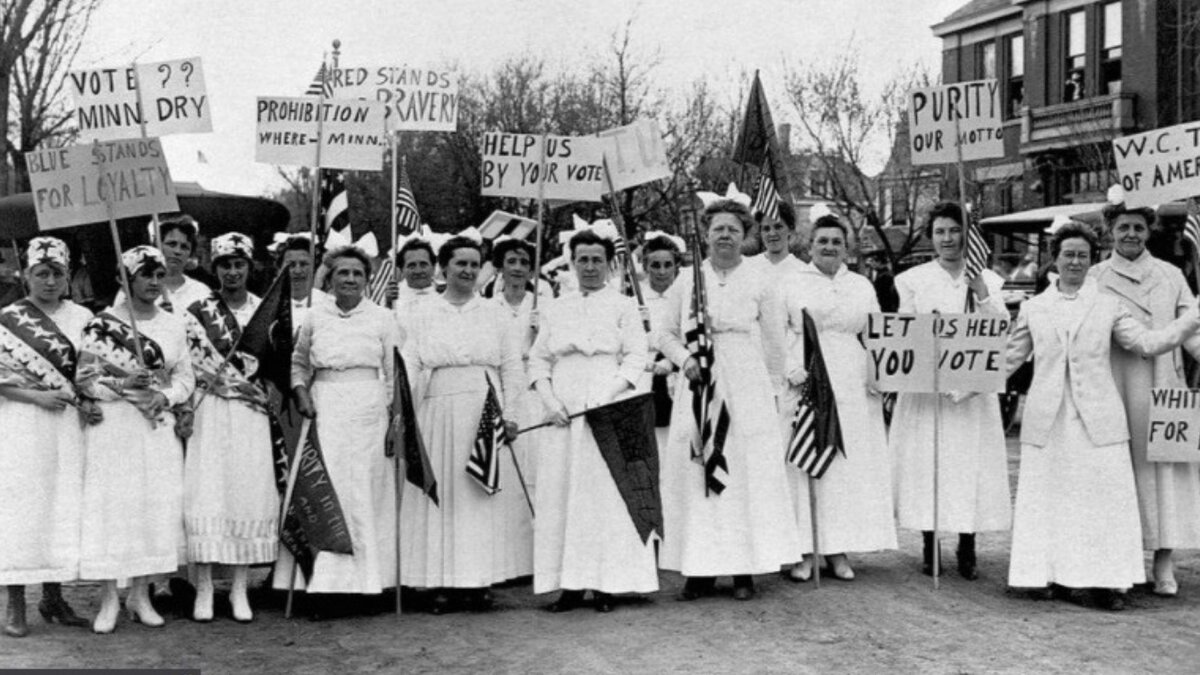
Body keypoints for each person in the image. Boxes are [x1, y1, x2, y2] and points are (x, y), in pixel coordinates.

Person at [1004, 222, 1200, 610]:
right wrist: (958, 382)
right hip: (1049, 420)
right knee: (1053, 498)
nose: (1075, 261)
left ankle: (1106, 582)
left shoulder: (1109, 305)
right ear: (1054, 259)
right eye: (1067, 254)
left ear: (1090, 259)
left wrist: (1192, 318)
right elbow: (1008, 358)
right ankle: (1049, 575)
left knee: (1100, 501)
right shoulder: (1034, 307)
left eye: (1082, 255)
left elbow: (1147, 342)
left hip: (1099, 418)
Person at [658, 197, 801, 601]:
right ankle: (700, 569)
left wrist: (773, 391)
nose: (725, 235)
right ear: (705, 235)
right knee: (698, 465)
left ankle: (743, 568)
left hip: (745, 382)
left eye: (733, 230)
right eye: (718, 229)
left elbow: (774, 342)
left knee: (742, 474)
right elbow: (663, 333)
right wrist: (684, 359)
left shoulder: (760, 280)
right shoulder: (687, 280)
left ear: (745, 236)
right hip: (699, 380)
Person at [528, 228, 656, 613]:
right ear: (572, 261)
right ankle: (568, 585)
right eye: (582, 259)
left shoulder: (623, 305)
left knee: (606, 494)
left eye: (596, 259)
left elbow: (636, 356)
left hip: (608, 403)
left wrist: (610, 393)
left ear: (609, 263)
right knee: (563, 493)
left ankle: (606, 584)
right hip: (564, 406)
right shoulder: (555, 307)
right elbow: (537, 359)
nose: (589, 266)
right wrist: (550, 401)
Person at [400, 234, 524, 613]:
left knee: (477, 493)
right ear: (444, 268)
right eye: (460, 264)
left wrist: (512, 413)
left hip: (482, 411)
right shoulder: (422, 313)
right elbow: (410, 366)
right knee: (443, 498)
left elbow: (512, 366)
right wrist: (403, 416)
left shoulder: (495, 312)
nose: (468, 271)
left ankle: (477, 581)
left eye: (474, 264)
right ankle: (439, 582)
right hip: (437, 411)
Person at [78, 246, 195, 634]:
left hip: (155, 427)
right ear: (123, 280)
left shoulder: (172, 325)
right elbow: (86, 381)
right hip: (114, 427)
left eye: (159, 275)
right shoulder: (100, 325)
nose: (153, 283)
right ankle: (110, 597)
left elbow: (185, 377)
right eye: (144, 275)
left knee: (152, 508)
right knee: (114, 509)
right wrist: (121, 383)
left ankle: (141, 595)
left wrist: (167, 396)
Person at [890, 201, 1010, 579]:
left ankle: (967, 542)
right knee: (930, 465)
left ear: (967, 235)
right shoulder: (913, 279)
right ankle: (930, 542)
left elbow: (1000, 329)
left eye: (954, 231)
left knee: (967, 466)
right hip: (930, 389)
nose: (947, 239)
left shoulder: (986, 279)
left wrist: (982, 295)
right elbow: (904, 331)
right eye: (940, 231)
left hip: (972, 391)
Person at [1088, 197, 1200, 596]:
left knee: (1167, 474)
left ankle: (1164, 562)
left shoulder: (1170, 275)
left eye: (1138, 227)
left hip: (1165, 388)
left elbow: (1193, 329)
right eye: (1123, 228)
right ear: (1110, 232)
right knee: (1120, 473)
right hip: (1116, 385)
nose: (1131, 234)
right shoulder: (1095, 276)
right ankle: (1125, 560)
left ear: (1149, 231)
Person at [782, 216, 897, 582]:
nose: (829, 247)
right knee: (808, 462)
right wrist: (789, 367)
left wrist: (882, 375)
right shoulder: (791, 282)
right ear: (809, 246)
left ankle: (837, 549)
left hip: (851, 379)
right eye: (822, 241)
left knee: (846, 466)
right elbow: (776, 332)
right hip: (808, 377)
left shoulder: (861, 284)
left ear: (845, 247)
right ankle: (803, 550)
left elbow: (878, 333)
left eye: (836, 241)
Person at [285, 246, 399, 608]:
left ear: (367, 279)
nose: (350, 279)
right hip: (325, 408)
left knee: (365, 492)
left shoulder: (383, 318)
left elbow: (396, 375)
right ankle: (324, 586)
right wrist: (301, 392)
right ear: (329, 278)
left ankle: (368, 584)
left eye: (357, 274)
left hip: (368, 407)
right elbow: (299, 363)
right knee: (326, 490)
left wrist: (394, 420)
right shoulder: (314, 317)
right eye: (342, 273)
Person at [0, 238, 99, 637]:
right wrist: (37, 395)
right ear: (27, 275)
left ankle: (53, 596)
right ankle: (15, 601)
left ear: (68, 276)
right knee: (23, 508)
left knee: (61, 506)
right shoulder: (8, 319)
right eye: (41, 273)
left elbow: (89, 371)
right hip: (23, 422)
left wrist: (88, 398)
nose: (49, 281)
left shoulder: (81, 317)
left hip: (65, 424)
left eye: (57, 273)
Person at [181, 233, 278, 623]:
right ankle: (204, 587)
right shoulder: (196, 311)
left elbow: (277, 363)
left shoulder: (265, 310)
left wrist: (268, 388)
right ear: (215, 268)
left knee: (246, 491)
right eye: (225, 265)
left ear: (249, 267)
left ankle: (239, 588)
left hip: (251, 412)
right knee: (208, 490)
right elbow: (187, 363)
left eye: (239, 264)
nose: (233, 271)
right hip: (211, 409)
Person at [483, 235, 543, 579]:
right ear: (500, 267)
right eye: (511, 262)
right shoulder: (488, 306)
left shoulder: (543, 304)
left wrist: (538, 337)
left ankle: (535, 558)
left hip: (534, 388)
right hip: (504, 388)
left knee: (535, 469)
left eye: (523, 262)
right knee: (506, 470)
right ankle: (506, 560)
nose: (518, 269)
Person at [641, 231, 685, 451]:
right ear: (645, 266)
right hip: (643, 376)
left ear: (676, 266)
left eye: (668, 264)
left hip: (676, 375)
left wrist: (670, 362)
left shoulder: (685, 297)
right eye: (655, 265)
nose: (661, 271)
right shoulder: (634, 300)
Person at [114, 216, 211, 313]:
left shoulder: (201, 291)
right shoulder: (135, 289)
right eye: (172, 244)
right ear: (157, 246)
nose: (177, 251)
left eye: (184, 247)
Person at [270, 233, 326, 331]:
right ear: (279, 269)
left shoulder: (327, 303)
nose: (297, 271)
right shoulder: (268, 307)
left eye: (304, 264)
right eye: (291, 265)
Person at [394, 238, 439, 347]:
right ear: (402, 270)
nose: (418, 271)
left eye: (423, 264)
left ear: (433, 267)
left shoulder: (446, 295)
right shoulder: (393, 300)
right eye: (411, 265)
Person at [752, 201, 807, 280]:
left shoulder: (802, 271)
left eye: (778, 227)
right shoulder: (749, 267)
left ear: (790, 230)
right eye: (766, 229)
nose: (772, 233)